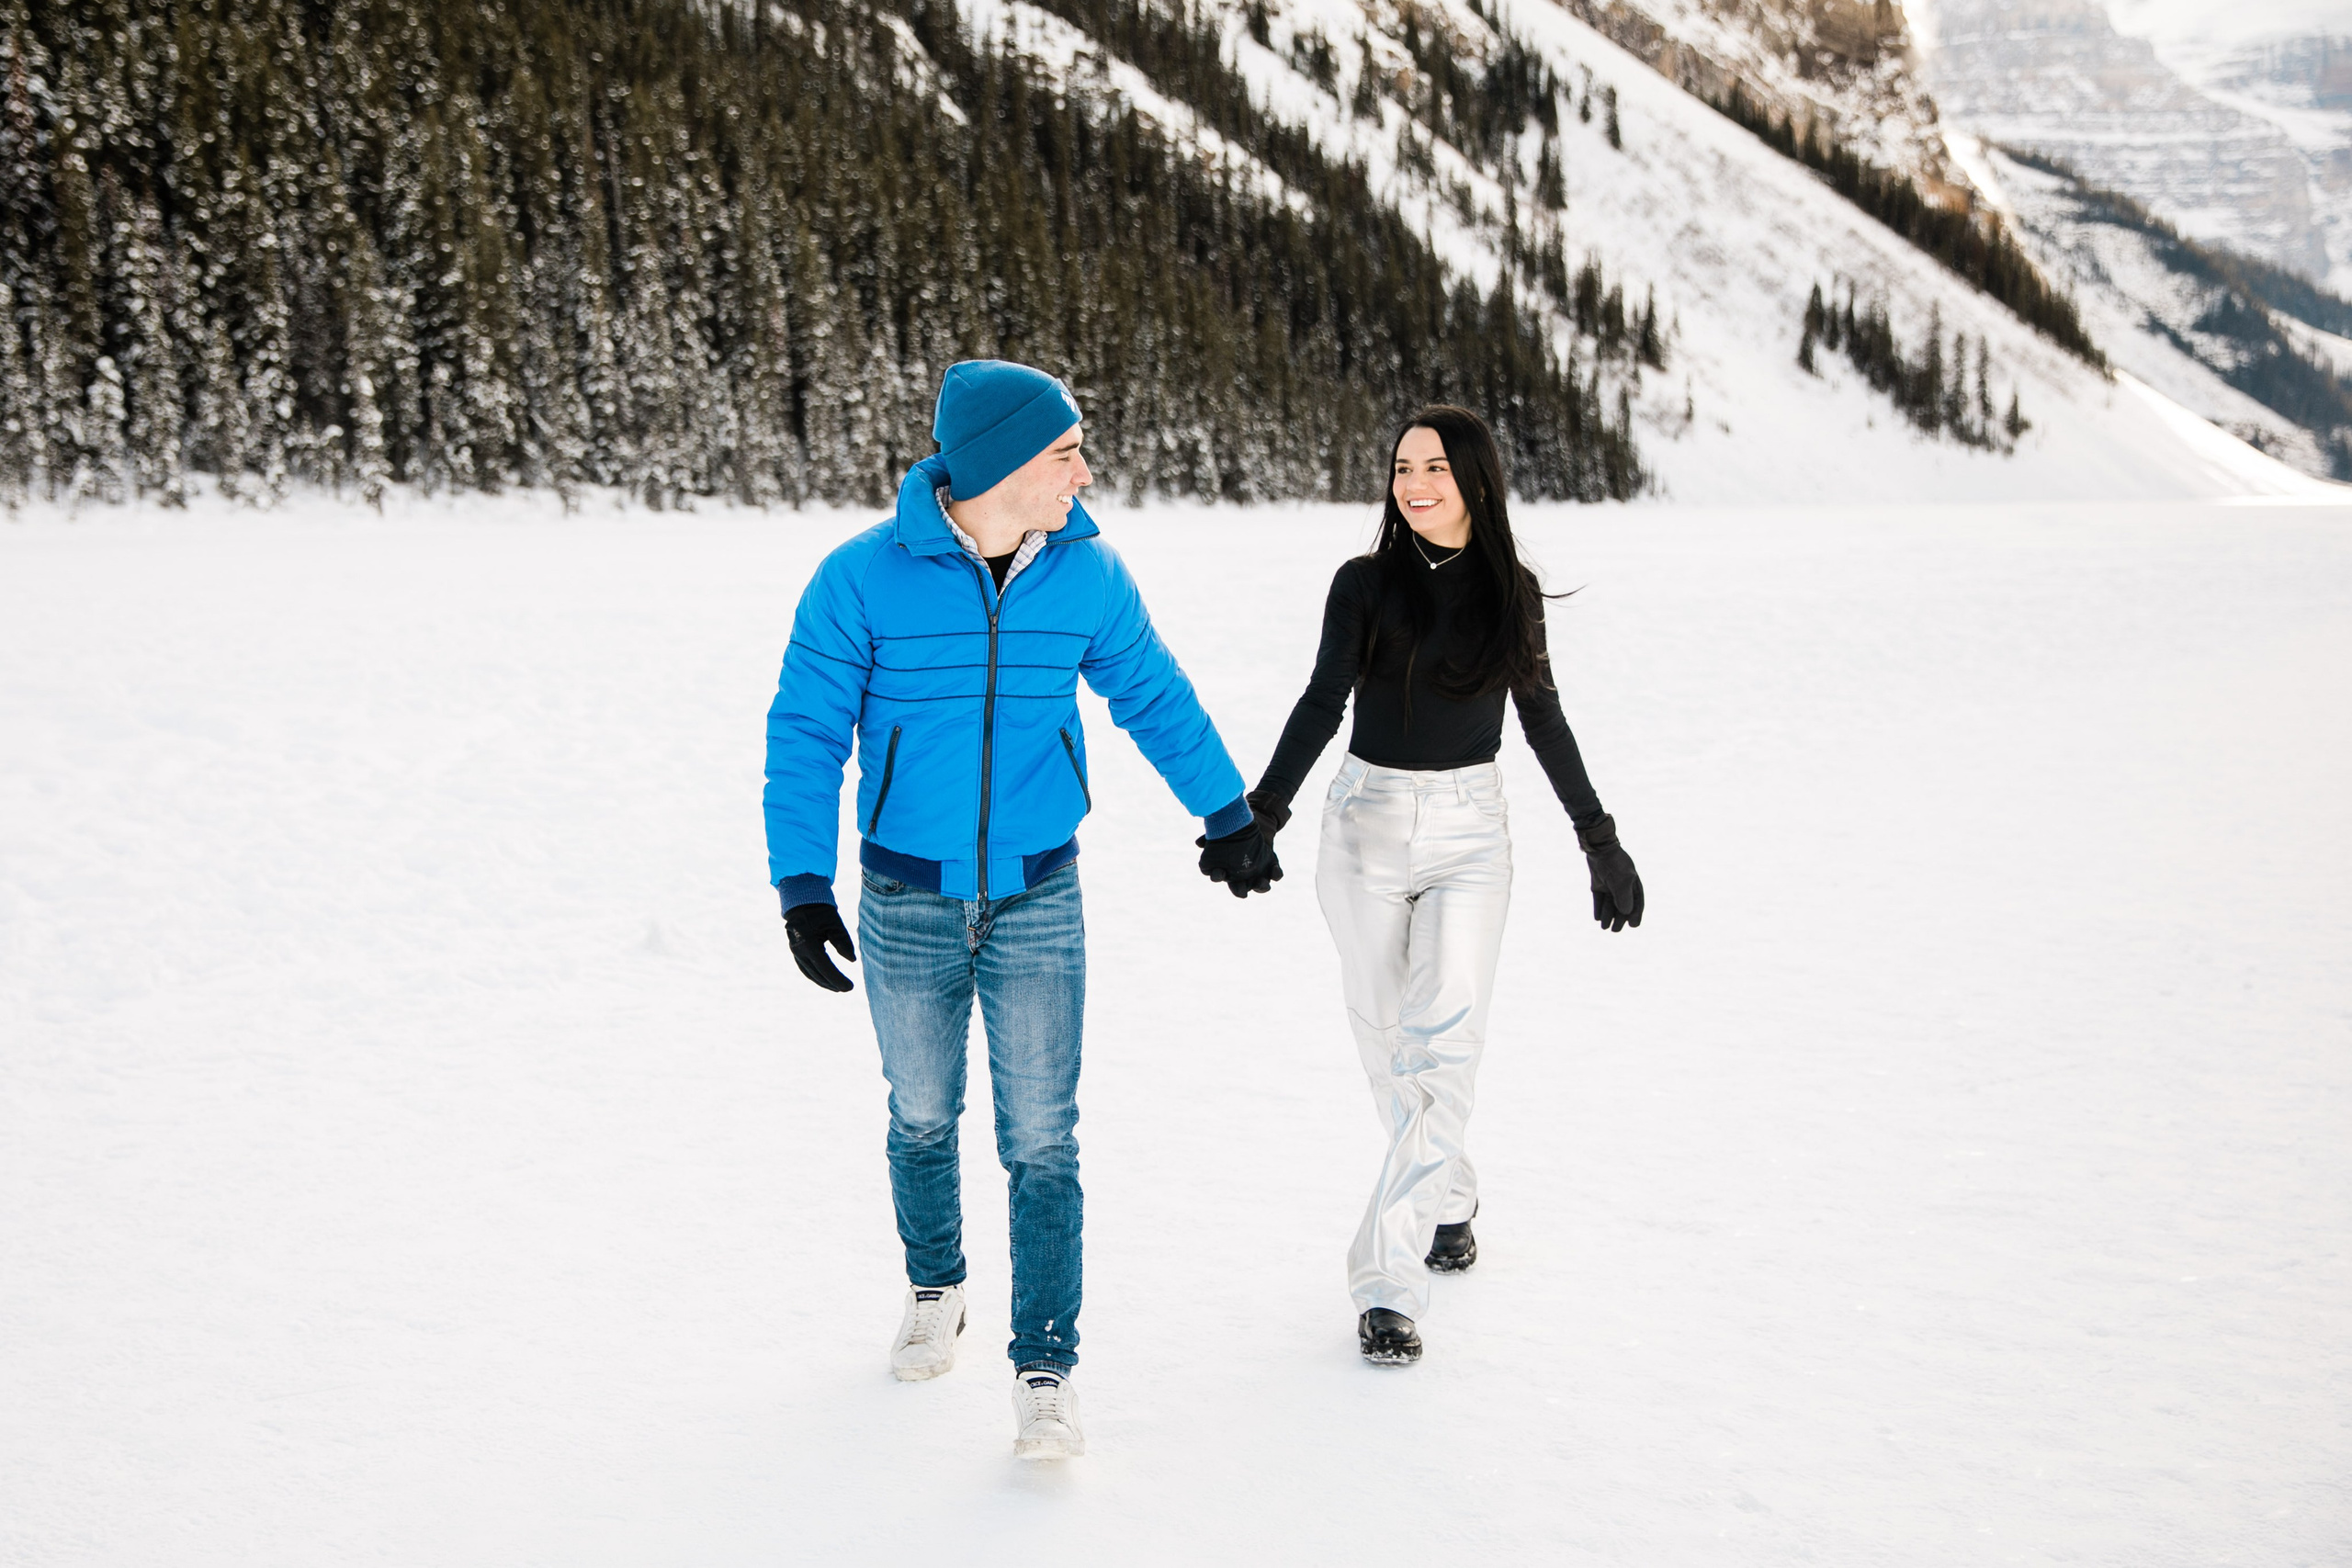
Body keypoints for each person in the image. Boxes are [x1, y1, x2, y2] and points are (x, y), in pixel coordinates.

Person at [763, 360, 1282, 1460]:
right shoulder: (860, 580)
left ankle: (1044, 1363)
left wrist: (1227, 811)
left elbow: (1150, 690)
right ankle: (934, 1282)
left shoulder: (1085, 574)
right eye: (1065, 451)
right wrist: (801, 886)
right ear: (998, 462)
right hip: (903, 896)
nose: (1083, 471)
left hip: (1041, 895)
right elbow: (805, 733)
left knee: (1043, 1140)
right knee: (919, 1114)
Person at [1244, 405, 1643, 1367]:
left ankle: (1387, 1286)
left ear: (1474, 479)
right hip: (1363, 826)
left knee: (1442, 1048)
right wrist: (1260, 815)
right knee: (1390, 1049)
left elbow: (1541, 718)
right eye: (1400, 467)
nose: (1413, 483)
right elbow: (1321, 698)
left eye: (1433, 467)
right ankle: (1450, 1196)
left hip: (1471, 836)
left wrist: (1599, 838)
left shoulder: (1514, 592)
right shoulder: (1364, 584)